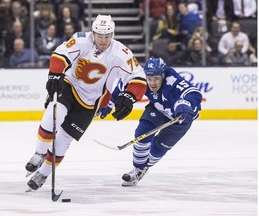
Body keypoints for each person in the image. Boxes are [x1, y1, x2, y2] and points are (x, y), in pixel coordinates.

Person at [25, 14, 147, 190]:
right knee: (54, 114)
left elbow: (138, 77)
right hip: (69, 85)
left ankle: (43, 173)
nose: (103, 40)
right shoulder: (81, 39)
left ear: (112, 34)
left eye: (107, 36)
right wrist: (55, 73)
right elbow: (60, 54)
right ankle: (39, 152)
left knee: (64, 140)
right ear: (93, 32)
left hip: (90, 101)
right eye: (100, 36)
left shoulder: (121, 53)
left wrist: (129, 96)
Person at [98, 58, 202, 186]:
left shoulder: (173, 82)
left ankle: (144, 167)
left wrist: (185, 105)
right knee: (142, 133)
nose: (152, 83)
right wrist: (108, 104)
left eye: (156, 79)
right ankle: (137, 169)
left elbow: (193, 93)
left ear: (163, 76)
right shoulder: (142, 79)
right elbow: (122, 85)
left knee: (159, 148)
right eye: (150, 78)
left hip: (180, 118)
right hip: (158, 109)